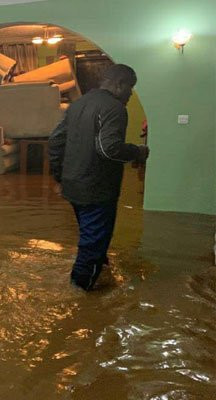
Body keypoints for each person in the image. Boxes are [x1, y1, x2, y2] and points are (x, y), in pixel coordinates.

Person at [48, 64, 150, 291]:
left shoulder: (78, 104)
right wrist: (137, 152)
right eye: (130, 88)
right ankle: (79, 298)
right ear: (119, 84)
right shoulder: (114, 108)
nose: (131, 94)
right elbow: (109, 148)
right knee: (92, 245)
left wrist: (60, 178)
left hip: (74, 187)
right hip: (97, 189)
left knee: (92, 237)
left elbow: (55, 141)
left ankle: (102, 273)